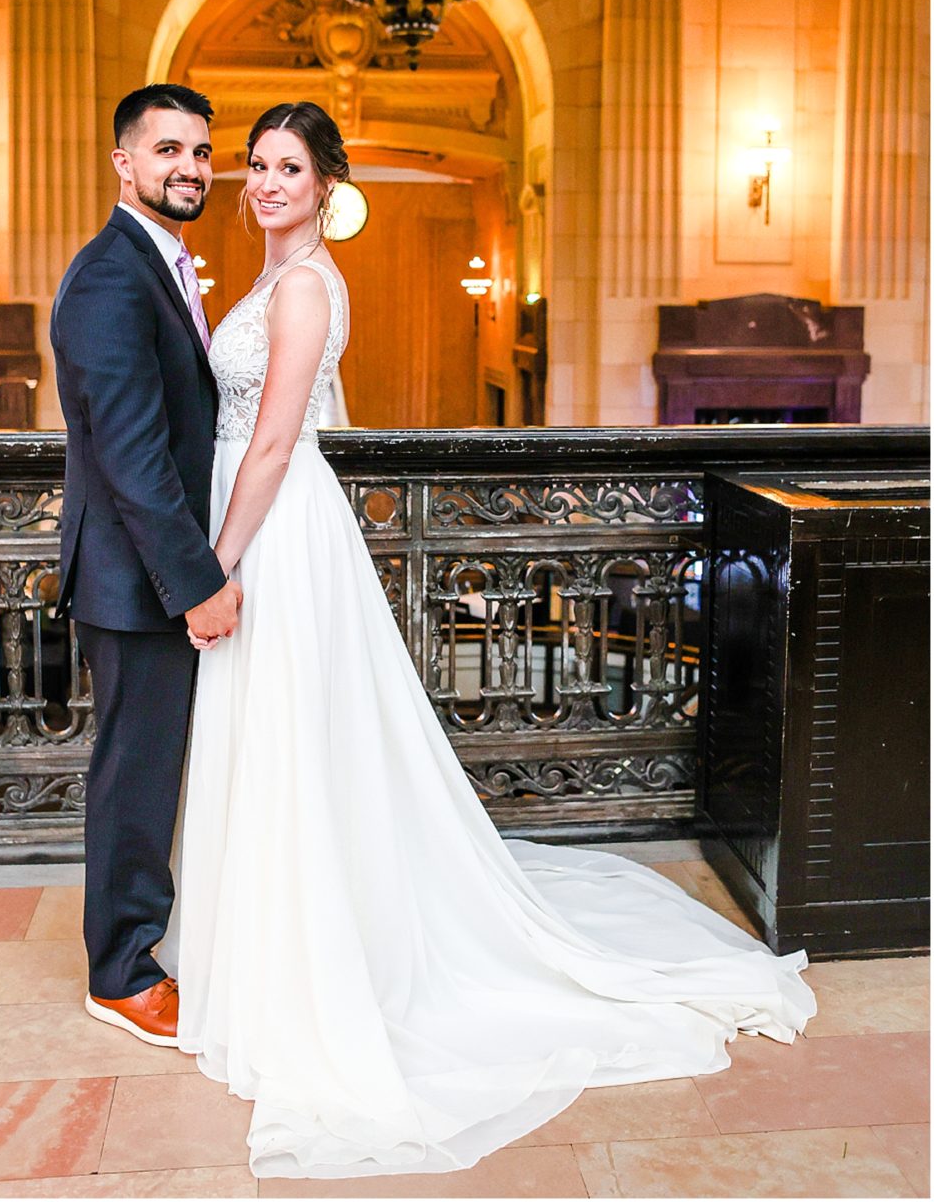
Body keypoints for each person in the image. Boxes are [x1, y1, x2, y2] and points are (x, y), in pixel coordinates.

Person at [157, 97, 816, 1181]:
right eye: (254, 166)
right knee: (265, 736)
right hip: (267, 510)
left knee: (284, 731)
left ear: (326, 184)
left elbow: (278, 438)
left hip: (269, 526)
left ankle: (303, 956)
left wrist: (216, 563)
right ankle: (249, 941)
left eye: (287, 167)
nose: (265, 183)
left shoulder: (310, 284)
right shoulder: (276, 283)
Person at [51, 83, 241, 1047]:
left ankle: (151, 943)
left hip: (156, 570)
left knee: (162, 767)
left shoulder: (161, 263)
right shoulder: (107, 277)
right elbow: (130, 455)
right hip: (137, 580)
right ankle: (120, 972)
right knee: (135, 773)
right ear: (123, 162)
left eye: (201, 152)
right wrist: (199, 584)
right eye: (168, 150)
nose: (189, 167)